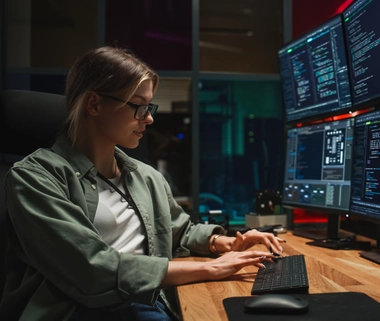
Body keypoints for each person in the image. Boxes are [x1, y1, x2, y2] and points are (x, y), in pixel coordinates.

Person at [0, 46, 284, 321]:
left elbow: (178, 232)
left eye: (150, 107)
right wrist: (210, 269)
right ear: (94, 103)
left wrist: (224, 242)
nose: (148, 118)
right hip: (78, 309)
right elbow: (91, 269)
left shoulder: (146, 177)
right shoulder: (34, 178)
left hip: (143, 298)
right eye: (138, 106)